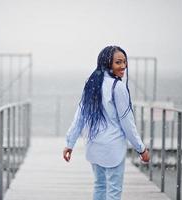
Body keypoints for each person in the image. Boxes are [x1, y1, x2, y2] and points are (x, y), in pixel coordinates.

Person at [62, 45, 150, 200]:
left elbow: (79, 117)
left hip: (94, 145)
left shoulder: (91, 84)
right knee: (114, 191)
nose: (123, 66)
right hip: (112, 147)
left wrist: (70, 143)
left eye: (124, 62)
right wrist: (141, 149)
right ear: (108, 63)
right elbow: (127, 123)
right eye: (118, 62)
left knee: (99, 186)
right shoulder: (118, 87)